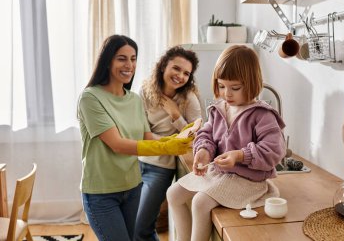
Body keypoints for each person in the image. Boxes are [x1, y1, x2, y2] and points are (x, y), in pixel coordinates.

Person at [77, 35, 193, 241]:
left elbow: (146, 136)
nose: (129, 65)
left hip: (132, 187)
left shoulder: (133, 99)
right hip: (102, 193)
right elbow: (118, 145)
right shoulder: (90, 98)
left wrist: (173, 141)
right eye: (122, 58)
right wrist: (169, 147)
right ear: (107, 60)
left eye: (133, 58)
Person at [166, 45, 286, 241]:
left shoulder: (262, 114)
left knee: (200, 203)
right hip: (220, 174)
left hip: (248, 181)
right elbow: (207, 134)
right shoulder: (219, 108)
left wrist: (240, 155)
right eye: (221, 86)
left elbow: (274, 150)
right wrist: (203, 150)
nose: (227, 94)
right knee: (173, 194)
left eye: (235, 88)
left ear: (252, 83)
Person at [135, 46, 202, 241]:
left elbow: (197, 138)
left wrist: (175, 114)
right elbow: (141, 132)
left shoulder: (188, 98)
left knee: (141, 228)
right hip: (138, 162)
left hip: (161, 168)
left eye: (186, 73)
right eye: (176, 68)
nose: (180, 76)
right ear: (164, 65)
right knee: (136, 225)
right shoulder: (145, 91)